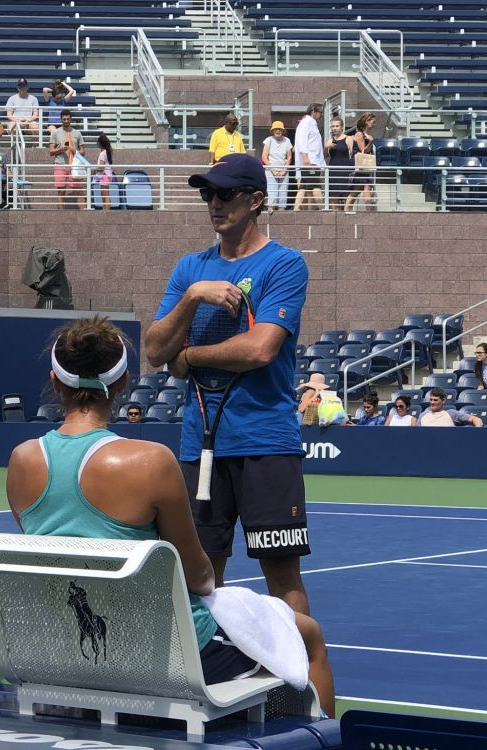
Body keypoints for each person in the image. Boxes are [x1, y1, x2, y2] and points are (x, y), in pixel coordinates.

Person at [6, 317, 334, 715]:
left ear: (56, 383)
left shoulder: (21, 461)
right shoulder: (151, 461)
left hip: (67, 651)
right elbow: (200, 577)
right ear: (124, 382)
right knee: (309, 638)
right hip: (166, 656)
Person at [144, 153, 313, 616]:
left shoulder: (284, 264)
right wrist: (195, 297)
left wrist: (190, 357)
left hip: (265, 442)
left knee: (282, 577)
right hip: (199, 447)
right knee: (199, 575)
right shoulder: (190, 270)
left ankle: (302, 679)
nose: (213, 203)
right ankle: (205, 677)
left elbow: (260, 350)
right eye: (207, 194)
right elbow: (155, 350)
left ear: (256, 201)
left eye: (225, 194)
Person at [48, 109, 85, 210]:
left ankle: (85, 215)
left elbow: (83, 152)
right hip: (60, 164)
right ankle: (61, 216)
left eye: (68, 119)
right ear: (61, 119)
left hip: (74, 165)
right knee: (61, 191)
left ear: (71, 119)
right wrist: (61, 149)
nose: (66, 121)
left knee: (78, 191)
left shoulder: (77, 133)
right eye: (64, 119)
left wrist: (75, 150)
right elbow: (51, 151)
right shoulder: (55, 133)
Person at [293, 103, 325, 211]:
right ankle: (323, 209)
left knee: (303, 187)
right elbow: (302, 141)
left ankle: (296, 209)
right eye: (320, 112)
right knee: (316, 186)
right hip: (310, 161)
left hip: (311, 160)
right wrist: (306, 158)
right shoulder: (306, 123)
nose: (321, 115)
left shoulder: (310, 123)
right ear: (314, 112)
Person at [261, 121, 292, 212]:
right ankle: (270, 208)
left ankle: (281, 211)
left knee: (283, 191)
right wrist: (273, 170)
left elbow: (289, 157)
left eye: (280, 129)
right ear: (273, 130)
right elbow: (264, 157)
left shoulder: (287, 140)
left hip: (283, 170)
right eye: (276, 129)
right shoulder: (268, 140)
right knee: (272, 190)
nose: (278, 131)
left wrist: (284, 170)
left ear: (283, 131)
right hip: (270, 170)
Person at [324, 117, 354, 212]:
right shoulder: (330, 141)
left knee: (347, 194)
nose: (335, 128)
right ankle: (335, 214)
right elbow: (325, 156)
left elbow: (353, 154)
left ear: (341, 127)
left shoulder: (348, 139)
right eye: (333, 126)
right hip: (333, 169)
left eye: (337, 126)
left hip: (345, 169)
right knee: (334, 195)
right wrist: (326, 147)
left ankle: (347, 215)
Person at [349, 112, 377, 211]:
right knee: (357, 191)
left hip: (366, 168)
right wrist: (370, 142)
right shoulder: (359, 134)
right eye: (373, 122)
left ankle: (368, 212)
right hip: (360, 168)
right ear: (366, 122)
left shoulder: (366, 134)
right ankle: (347, 211)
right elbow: (364, 151)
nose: (374, 124)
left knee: (364, 188)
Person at [95, 133, 114, 210]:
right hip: (107, 175)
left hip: (104, 175)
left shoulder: (103, 153)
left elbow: (101, 166)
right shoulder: (107, 152)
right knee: (106, 194)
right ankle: (105, 209)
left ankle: (106, 211)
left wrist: (94, 170)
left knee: (105, 195)